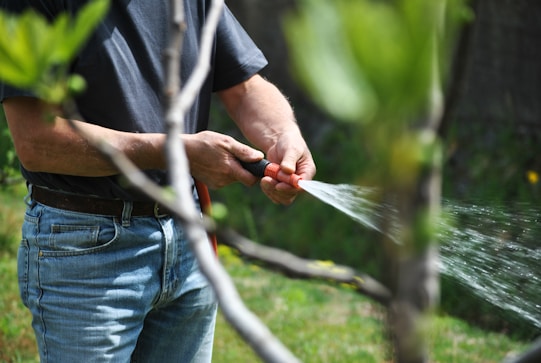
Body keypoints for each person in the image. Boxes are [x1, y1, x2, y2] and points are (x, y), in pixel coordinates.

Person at [0, 1, 316, 362]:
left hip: (187, 233)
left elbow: (244, 87)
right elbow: (36, 141)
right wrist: (174, 151)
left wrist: (283, 135)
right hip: (86, 249)